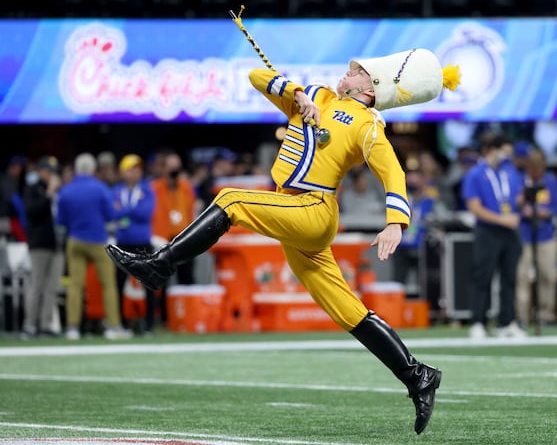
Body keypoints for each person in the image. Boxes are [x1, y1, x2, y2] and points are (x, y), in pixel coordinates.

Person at [107, 48, 460, 434]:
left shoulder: (367, 124)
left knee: (231, 199)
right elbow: (256, 78)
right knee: (346, 309)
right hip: (293, 210)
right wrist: (297, 94)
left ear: (371, 88)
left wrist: (396, 222)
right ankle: (417, 376)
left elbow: (394, 173)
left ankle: (160, 265)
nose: (347, 72)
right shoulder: (317, 96)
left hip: (313, 209)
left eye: (355, 71)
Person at [56, 153, 131, 340]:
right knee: (108, 285)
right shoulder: (100, 189)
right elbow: (111, 215)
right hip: (98, 241)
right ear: (92, 169)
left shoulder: (66, 190)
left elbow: (60, 220)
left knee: (75, 285)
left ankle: (72, 328)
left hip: (75, 241)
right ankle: (113, 326)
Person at [462, 132, 527, 339]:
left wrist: (525, 202)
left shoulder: (510, 171)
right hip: (487, 231)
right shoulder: (475, 173)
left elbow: (517, 197)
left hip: (510, 231)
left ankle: (506, 322)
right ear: (489, 150)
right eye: (502, 151)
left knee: (510, 277)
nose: (505, 155)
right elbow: (474, 206)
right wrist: (501, 219)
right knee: (483, 276)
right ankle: (478, 322)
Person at [516, 148, 557, 326]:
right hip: (523, 235)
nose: (535, 172)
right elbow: (513, 205)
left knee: (547, 275)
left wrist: (545, 213)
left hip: (546, 234)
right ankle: (522, 316)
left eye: (538, 168)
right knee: (521, 276)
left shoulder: (550, 181)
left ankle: (546, 314)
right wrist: (521, 207)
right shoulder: (520, 181)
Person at [112, 154, 157, 334]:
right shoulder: (116, 191)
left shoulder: (147, 190)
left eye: (138, 168)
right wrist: (132, 210)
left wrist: (124, 212)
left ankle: (149, 325)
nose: (136, 172)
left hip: (143, 243)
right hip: (122, 243)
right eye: (131, 169)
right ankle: (121, 324)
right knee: (119, 284)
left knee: (148, 284)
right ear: (123, 172)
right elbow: (112, 214)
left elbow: (146, 213)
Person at [21, 156, 63, 339]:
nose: (52, 175)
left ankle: (46, 324)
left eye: (54, 172)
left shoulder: (59, 192)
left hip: (56, 244)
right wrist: (48, 194)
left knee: (52, 287)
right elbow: (32, 212)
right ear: (41, 171)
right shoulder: (32, 189)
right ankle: (30, 325)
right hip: (39, 244)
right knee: (36, 285)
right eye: (49, 171)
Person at [150, 151, 196, 285]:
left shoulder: (186, 187)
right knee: (161, 280)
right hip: (163, 240)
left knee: (186, 277)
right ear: (164, 169)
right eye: (171, 167)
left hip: (184, 238)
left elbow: (190, 211)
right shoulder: (154, 188)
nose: (175, 171)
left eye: (177, 167)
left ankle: (187, 305)